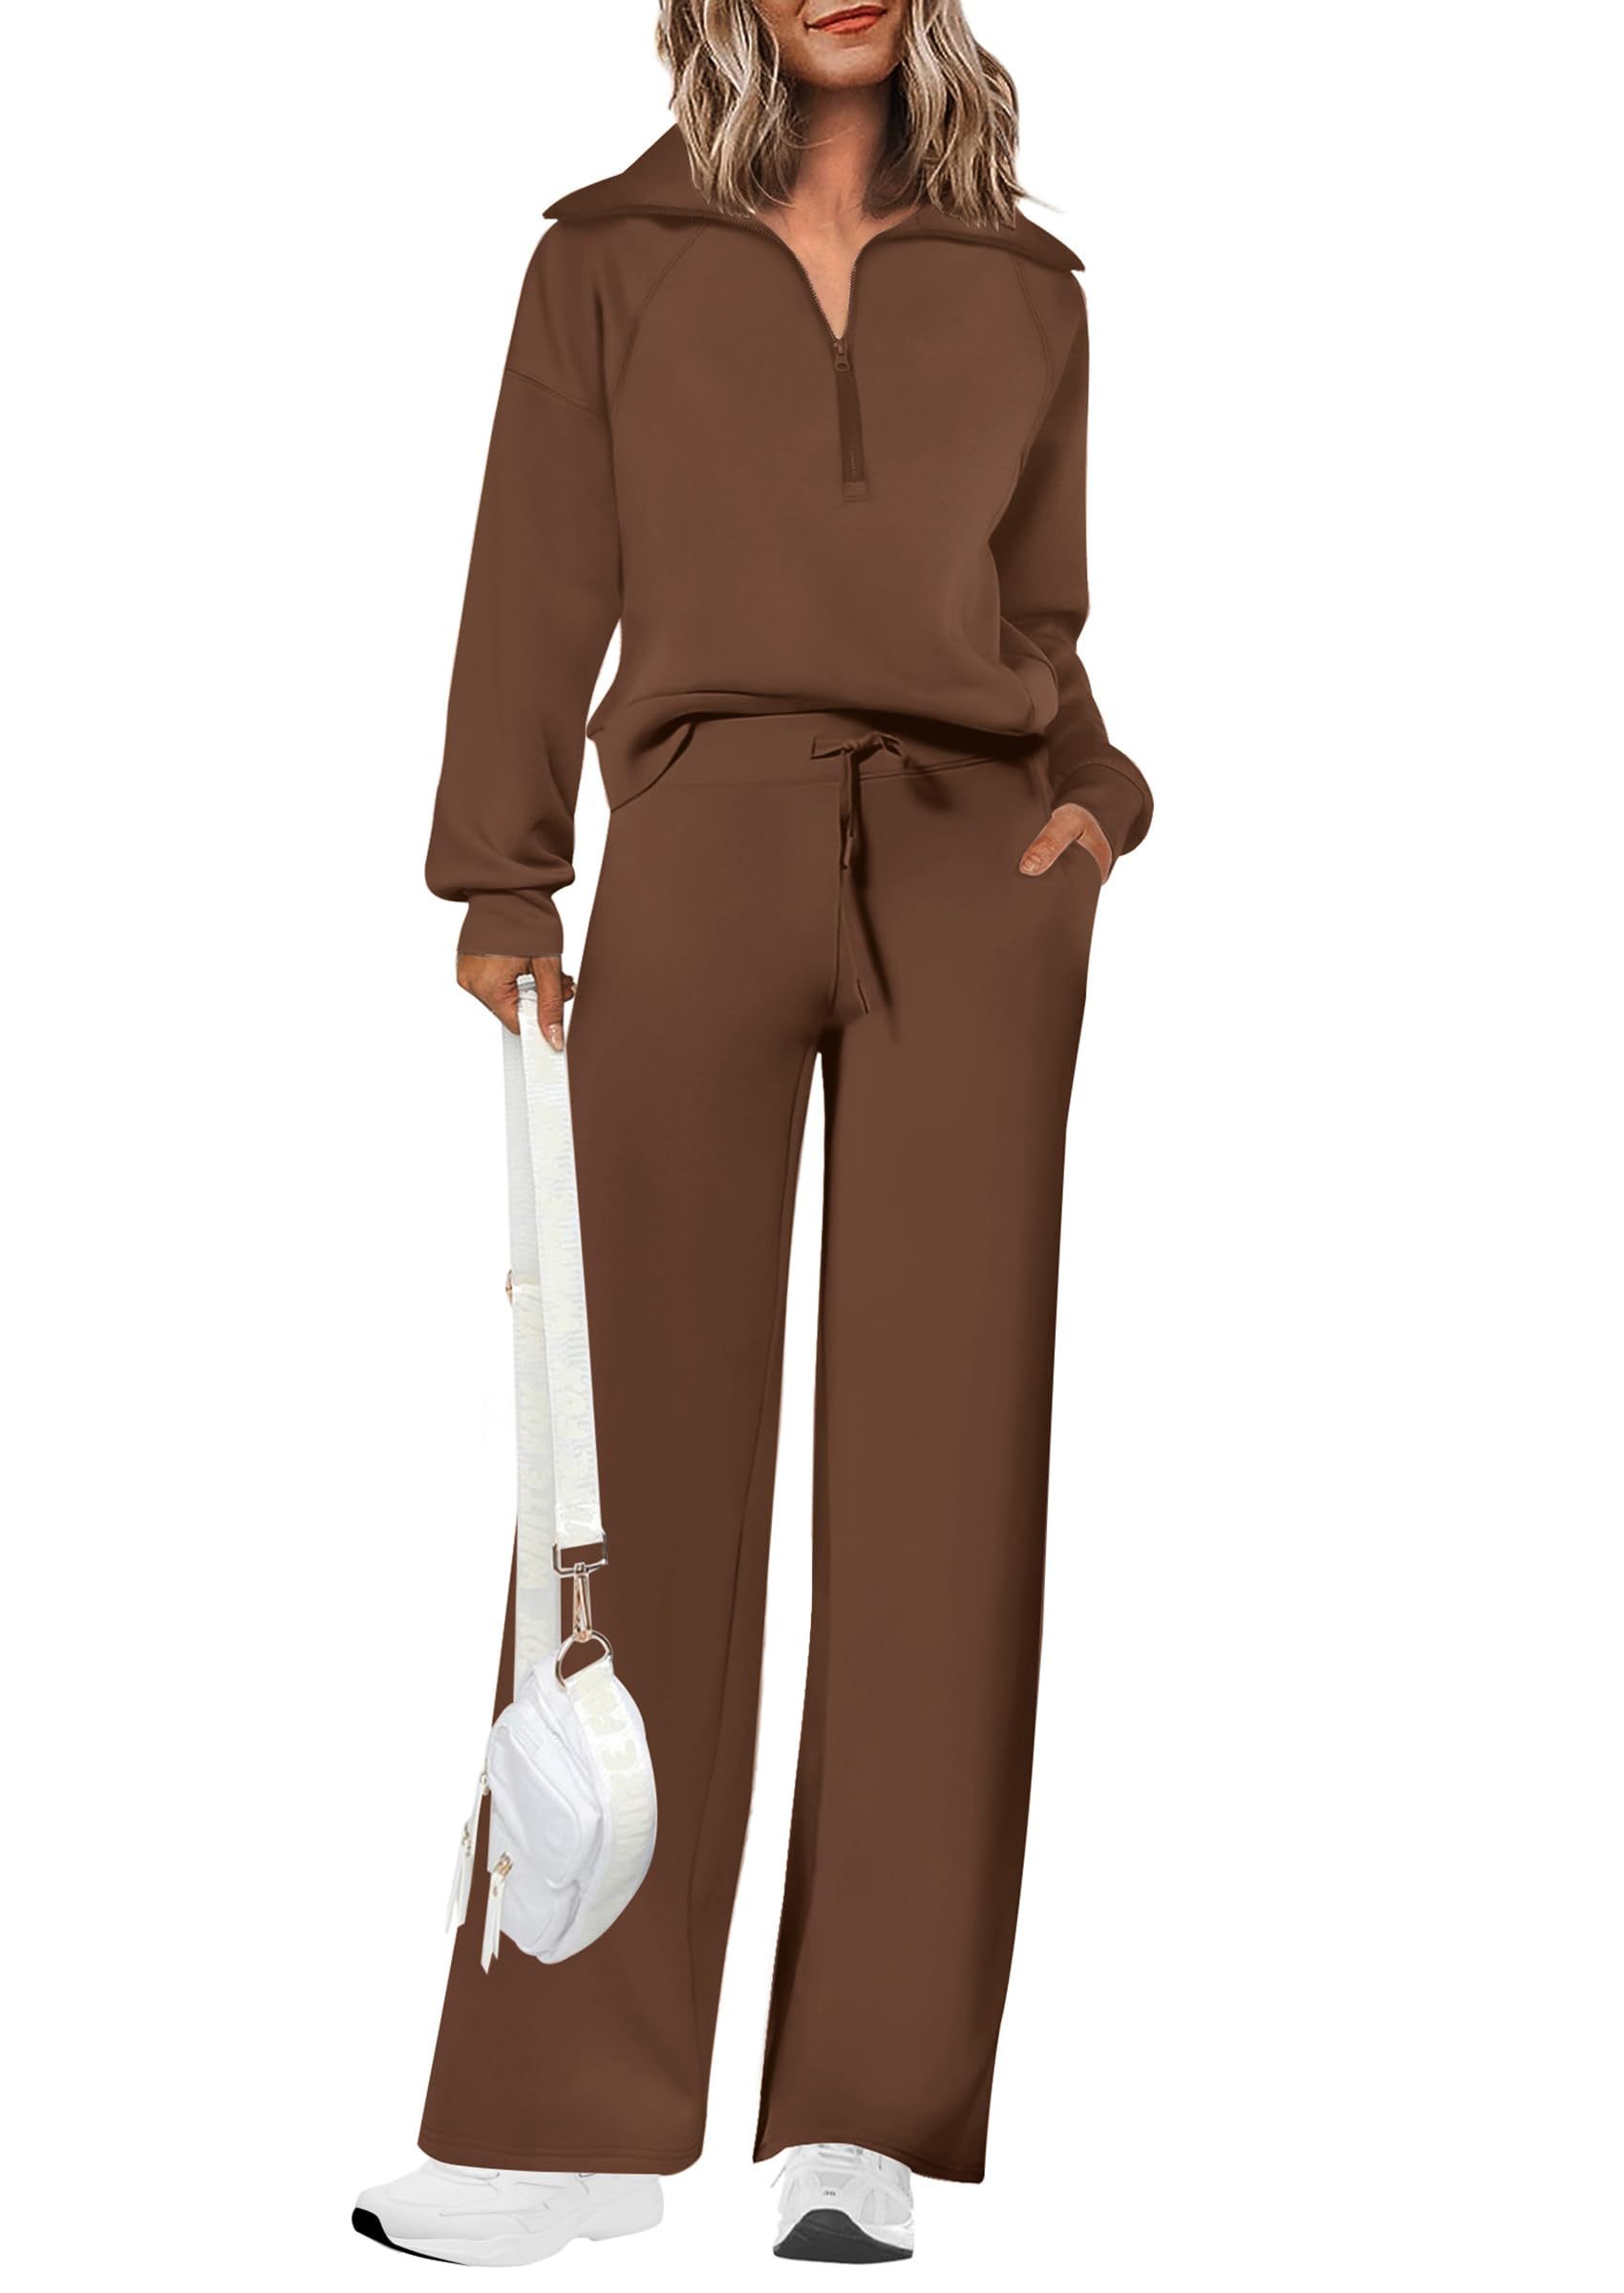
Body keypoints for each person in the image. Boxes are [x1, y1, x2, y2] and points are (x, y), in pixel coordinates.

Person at [355, 0, 1150, 2264]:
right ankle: (560, 2120)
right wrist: (504, 875)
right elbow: (537, 570)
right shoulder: (606, 257)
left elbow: (1037, 614)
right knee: (622, 1478)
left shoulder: (1024, 283)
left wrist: (1093, 799)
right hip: (700, 846)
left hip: (975, 876)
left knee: (940, 1485)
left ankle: (861, 2113)